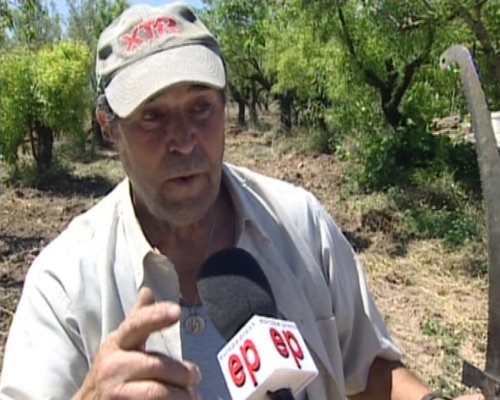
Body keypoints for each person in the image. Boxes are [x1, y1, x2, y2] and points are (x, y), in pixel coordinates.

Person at [0, 3, 484, 400]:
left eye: (201, 107)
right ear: (109, 128)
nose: (184, 140)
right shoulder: (64, 284)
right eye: (153, 117)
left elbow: (369, 372)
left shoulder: (301, 225)